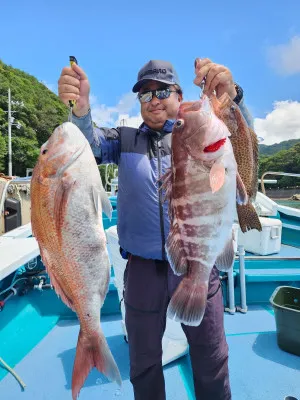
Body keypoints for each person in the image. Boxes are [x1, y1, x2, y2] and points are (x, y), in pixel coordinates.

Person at [58, 58, 254, 400]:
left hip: (197, 262)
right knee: (144, 363)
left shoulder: (201, 129)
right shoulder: (123, 140)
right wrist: (82, 107)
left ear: (179, 94)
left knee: (211, 359)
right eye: (145, 95)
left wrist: (233, 97)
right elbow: (85, 144)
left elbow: (242, 144)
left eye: (162, 91)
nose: (154, 100)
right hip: (142, 271)